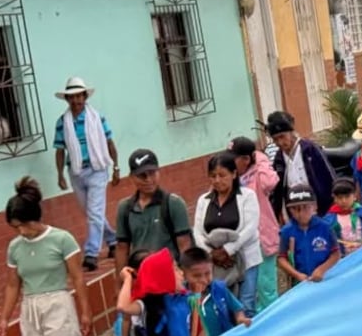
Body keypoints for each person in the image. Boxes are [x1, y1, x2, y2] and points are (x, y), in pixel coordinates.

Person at [0, 177, 90, 336]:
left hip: (57, 303)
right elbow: (13, 284)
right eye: (16, 227)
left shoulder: (62, 239)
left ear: (34, 218)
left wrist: (85, 312)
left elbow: (78, 278)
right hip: (30, 307)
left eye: (23, 225)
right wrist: (4, 318)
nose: (21, 231)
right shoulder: (15, 247)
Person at [52, 77, 119, 272]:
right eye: (72, 97)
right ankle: (113, 240)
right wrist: (60, 174)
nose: (76, 101)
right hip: (76, 172)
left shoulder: (97, 118)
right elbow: (59, 150)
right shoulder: (62, 123)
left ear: (84, 97)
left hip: (97, 169)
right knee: (91, 212)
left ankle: (91, 254)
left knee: (94, 212)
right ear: (67, 99)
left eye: (79, 96)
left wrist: (116, 167)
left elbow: (109, 142)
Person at [193, 152, 262, 315]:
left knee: (246, 305)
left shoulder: (247, 196)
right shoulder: (204, 200)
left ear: (234, 174)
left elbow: (250, 227)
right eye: (213, 176)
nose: (217, 180)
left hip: (246, 259)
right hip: (216, 264)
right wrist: (211, 253)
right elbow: (197, 231)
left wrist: (228, 250)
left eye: (222, 175)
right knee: (223, 307)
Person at [114, 147, 193, 275]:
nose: (148, 179)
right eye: (142, 176)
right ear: (132, 177)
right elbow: (122, 248)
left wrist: (186, 276)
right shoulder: (125, 208)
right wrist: (120, 282)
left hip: (170, 274)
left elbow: (184, 245)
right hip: (141, 276)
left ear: (158, 172)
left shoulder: (173, 204)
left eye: (152, 173)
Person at [117, 249, 199, 336]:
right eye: (175, 269)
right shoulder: (147, 304)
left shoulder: (186, 297)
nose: (181, 273)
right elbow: (123, 307)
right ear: (163, 276)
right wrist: (127, 279)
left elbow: (202, 326)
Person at [232, 136, 282, 313]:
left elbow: (271, 182)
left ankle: (275, 320)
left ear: (246, 159)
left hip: (262, 237)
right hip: (242, 242)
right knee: (249, 292)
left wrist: (259, 159)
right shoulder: (233, 178)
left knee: (267, 287)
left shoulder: (257, 174)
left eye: (234, 158)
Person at [267, 110, 336, 219]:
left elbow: (329, 177)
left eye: (282, 137)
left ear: (291, 133)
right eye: (275, 139)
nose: (280, 142)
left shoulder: (310, 150)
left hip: (319, 211)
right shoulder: (279, 159)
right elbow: (278, 190)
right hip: (295, 214)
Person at [179, 247, 251, 336]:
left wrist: (240, 318)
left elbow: (237, 309)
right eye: (197, 276)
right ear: (184, 275)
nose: (203, 280)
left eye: (207, 273)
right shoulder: (180, 299)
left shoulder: (219, 289)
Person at [278, 186, 340, 285]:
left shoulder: (325, 227)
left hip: (325, 278)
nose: (301, 213)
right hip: (300, 282)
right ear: (290, 210)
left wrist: (322, 269)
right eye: (295, 209)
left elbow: (336, 253)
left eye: (306, 207)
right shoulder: (286, 231)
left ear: (314, 206)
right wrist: (296, 274)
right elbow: (281, 258)